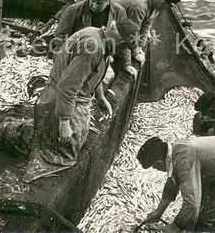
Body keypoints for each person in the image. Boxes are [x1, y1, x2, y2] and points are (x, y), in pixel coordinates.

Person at [22, 19, 141, 183]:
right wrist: (64, 122)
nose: (122, 48)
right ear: (117, 36)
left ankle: (39, 131)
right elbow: (68, 85)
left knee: (78, 137)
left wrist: (100, 98)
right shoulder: (93, 47)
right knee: (65, 152)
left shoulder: (100, 37)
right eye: (123, 43)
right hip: (59, 97)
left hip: (75, 97)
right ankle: (23, 135)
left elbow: (93, 75)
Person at [137, 136, 215, 231]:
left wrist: (176, 226)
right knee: (204, 212)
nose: (156, 170)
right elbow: (172, 182)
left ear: (159, 161)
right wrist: (159, 211)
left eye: (154, 167)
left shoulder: (184, 160)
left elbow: (192, 204)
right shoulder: (175, 150)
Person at [51, 0, 137, 79]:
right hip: (78, 55)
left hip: (103, 55)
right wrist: (60, 66)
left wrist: (126, 63)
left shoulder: (119, 11)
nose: (94, 5)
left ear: (109, 1)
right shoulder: (74, 10)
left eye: (99, 3)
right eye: (93, 0)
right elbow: (60, 38)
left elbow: (123, 37)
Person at [113, 0, 181, 65]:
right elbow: (131, 32)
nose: (167, 8)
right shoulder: (139, 6)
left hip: (125, 19)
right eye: (168, 5)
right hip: (110, 18)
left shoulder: (155, 1)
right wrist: (135, 53)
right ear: (162, 0)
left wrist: (140, 46)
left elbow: (147, 25)